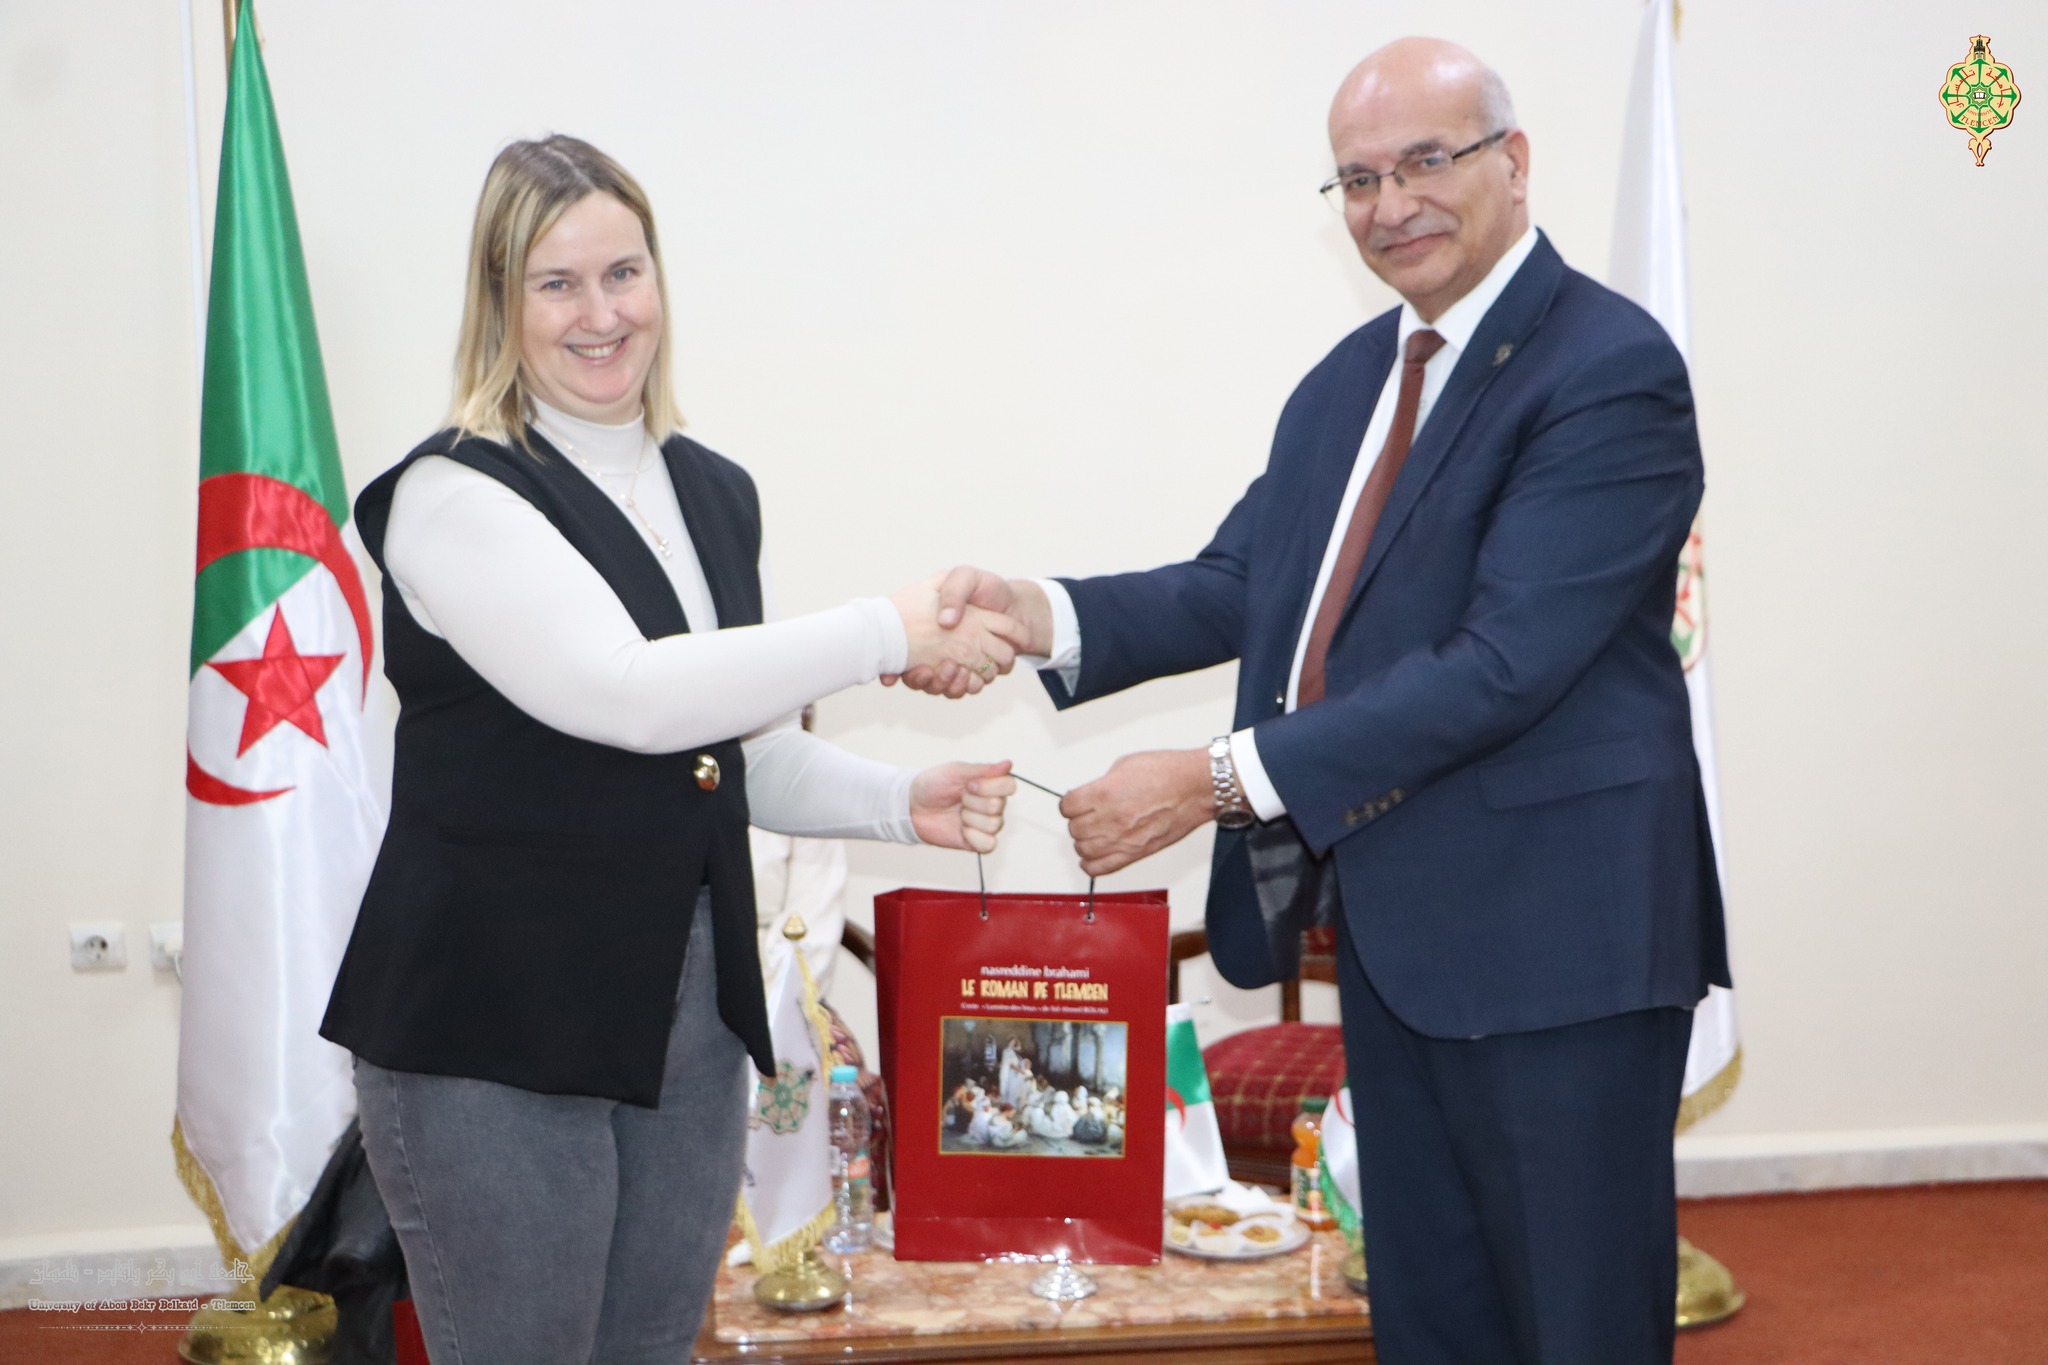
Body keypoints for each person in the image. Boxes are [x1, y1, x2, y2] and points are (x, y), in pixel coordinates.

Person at [907, 38, 1727, 1365]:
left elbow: (1503, 664)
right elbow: (1245, 584)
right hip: (1398, 940)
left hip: (1557, 946)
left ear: (1514, 163)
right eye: (1357, 178)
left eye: (1424, 162)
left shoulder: (1605, 367)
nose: (1390, 203)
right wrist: (1034, 611)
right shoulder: (1352, 380)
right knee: (1433, 1319)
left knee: (1571, 1323)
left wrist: (1215, 780)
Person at [318, 135, 1020, 1364]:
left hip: (686, 1007)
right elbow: (629, 697)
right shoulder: (452, 494)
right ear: (499, 303)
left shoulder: (713, 490)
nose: (601, 315)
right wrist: (883, 630)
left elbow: (726, 756)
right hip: (492, 1024)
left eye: (623, 273)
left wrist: (903, 800)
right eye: (557, 284)